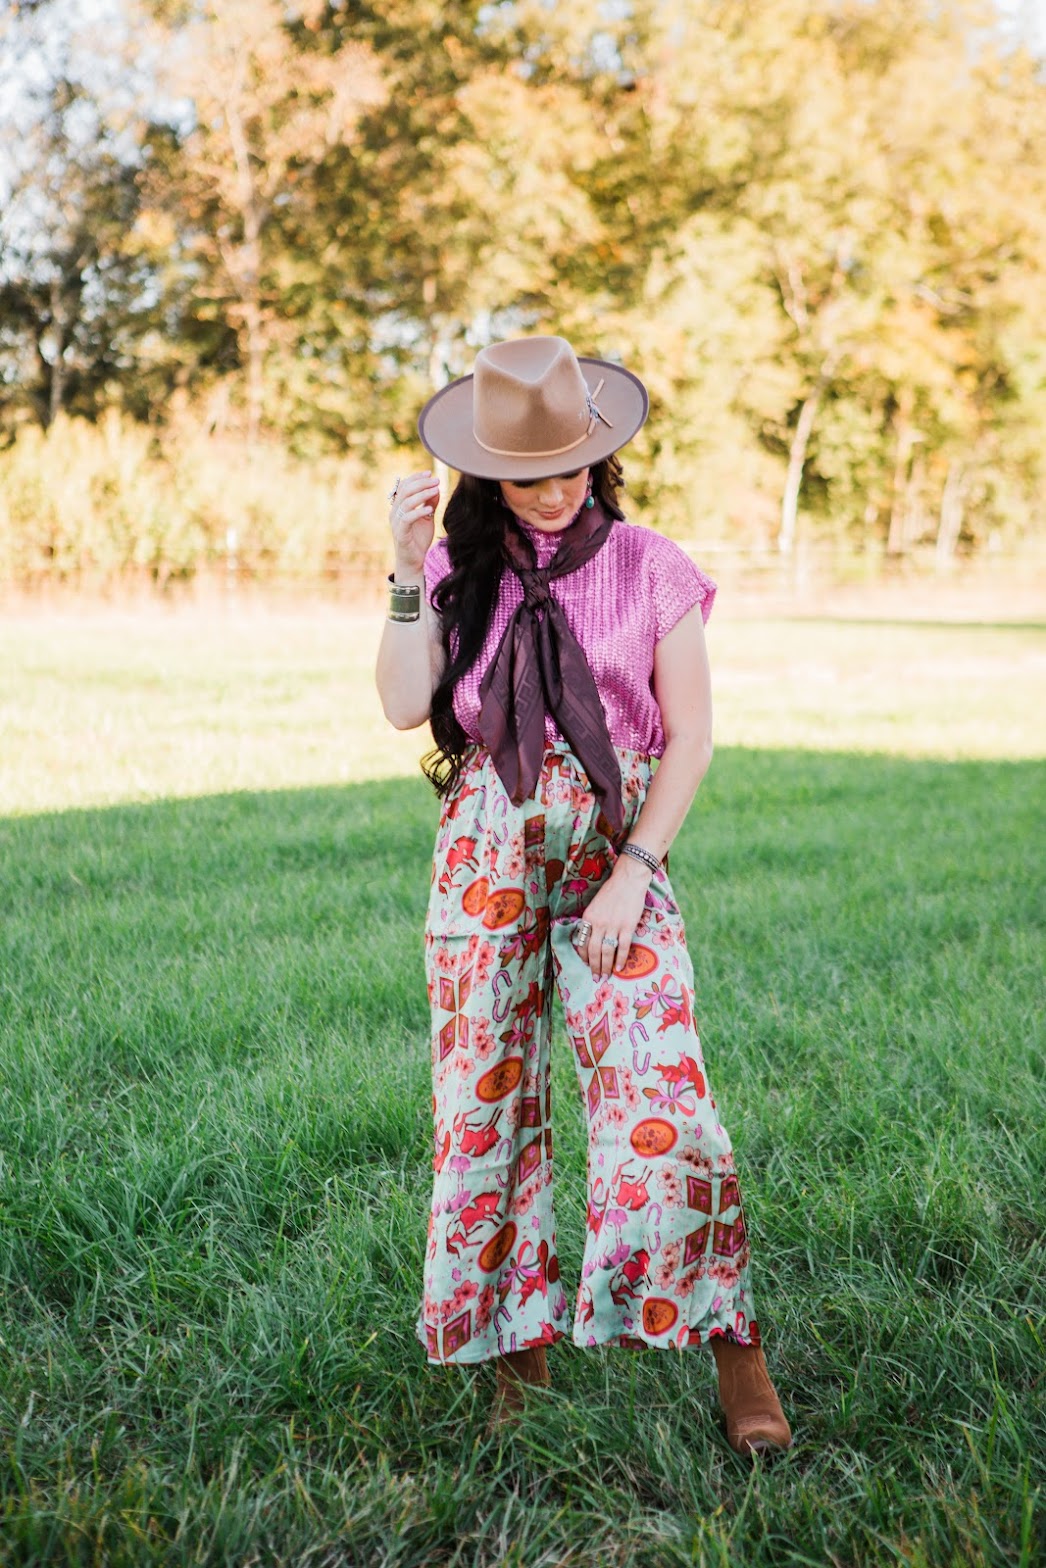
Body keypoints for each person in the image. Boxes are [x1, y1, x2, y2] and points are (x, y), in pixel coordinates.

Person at [375, 335, 792, 1459]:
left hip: (617, 854)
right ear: (488, 474)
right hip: (484, 859)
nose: (553, 490)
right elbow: (404, 705)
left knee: (666, 1098)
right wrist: (406, 570)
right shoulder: (459, 567)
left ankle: (734, 1347)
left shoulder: (653, 565)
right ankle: (519, 1354)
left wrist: (633, 874)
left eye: (568, 466)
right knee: (484, 1114)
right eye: (526, 475)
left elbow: (691, 736)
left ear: (598, 453)